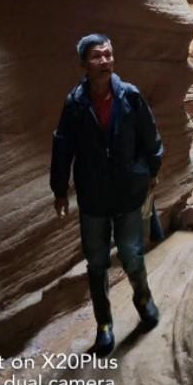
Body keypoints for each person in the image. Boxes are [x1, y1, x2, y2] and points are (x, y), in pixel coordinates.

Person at [49, 33, 163, 356]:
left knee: (131, 253)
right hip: (94, 199)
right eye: (98, 56)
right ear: (84, 64)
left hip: (127, 194)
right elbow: (62, 148)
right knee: (97, 262)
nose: (106, 62)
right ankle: (104, 325)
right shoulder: (75, 105)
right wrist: (60, 190)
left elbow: (150, 137)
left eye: (109, 55)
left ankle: (144, 301)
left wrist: (151, 172)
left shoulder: (130, 96)